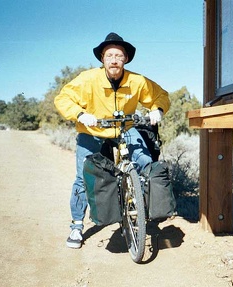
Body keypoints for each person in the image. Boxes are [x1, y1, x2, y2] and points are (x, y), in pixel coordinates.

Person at [54, 32, 170, 249]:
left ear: (126, 59)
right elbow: (63, 98)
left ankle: (144, 206)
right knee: (83, 177)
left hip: (125, 128)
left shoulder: (137, 81)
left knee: (145, 162)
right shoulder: (88, 79)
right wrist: (80, 115)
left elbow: (161, 95)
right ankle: (77, 226)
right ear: (102, 59)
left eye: (119, 55)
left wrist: (158, 110)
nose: (114, 60)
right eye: (109, 56)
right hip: (93, 131)